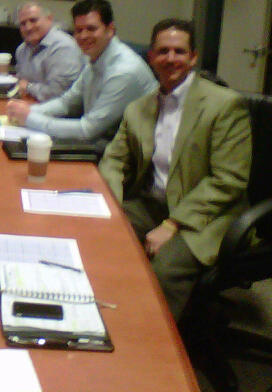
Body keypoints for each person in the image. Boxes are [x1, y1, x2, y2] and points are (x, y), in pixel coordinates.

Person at [99, 19, 251, 320]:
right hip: (153, 203)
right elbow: (114, 160)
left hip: (206, 215)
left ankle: (152, 351)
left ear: (193, 57)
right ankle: (109, 320)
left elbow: (228, 180)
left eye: (179, 51)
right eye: (163, 51)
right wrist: (111, 207)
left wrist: (173, 225)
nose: (171, 59)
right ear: (150, 57)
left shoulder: (225, 106)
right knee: (100, 240)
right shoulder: (139, 108)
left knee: (164, 271)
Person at [5, 0, 156, 145]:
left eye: (91, 29)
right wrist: (29, 111)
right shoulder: (95, 58)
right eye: (78, 30)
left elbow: (88, 130)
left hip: (128, 153)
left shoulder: (123, 71)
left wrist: (30, 118)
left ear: (110, 30)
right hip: (104, 140)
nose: (83, 36)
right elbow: (66, 103)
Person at [14, 2, 84, 101]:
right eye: (23, 24)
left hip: (60, 114)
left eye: (33, 20)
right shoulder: (22, 50)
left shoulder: (63, 47)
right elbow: (21, 83)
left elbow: (58, 94)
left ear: (49, 19)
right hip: (30, 106)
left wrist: (28, 87)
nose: (28, 27)